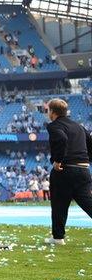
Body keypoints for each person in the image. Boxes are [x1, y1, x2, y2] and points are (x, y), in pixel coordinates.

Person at [44, 98, 92, 244]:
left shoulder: (53, 126)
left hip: (65, 170)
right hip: (83, 169)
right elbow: (90, 144)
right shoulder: (79, 126)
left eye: (47, 110)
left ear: (52, 112)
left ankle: (58, 237)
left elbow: (62, 138)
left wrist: (58, 160)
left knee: (59, 204)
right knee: (87, 202)